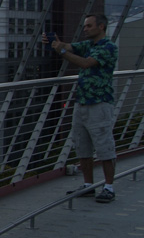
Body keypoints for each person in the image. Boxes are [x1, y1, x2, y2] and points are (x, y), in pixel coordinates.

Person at [46, 13, 118, 203]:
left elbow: (86, 63)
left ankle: (109, 187)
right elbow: (71, 47)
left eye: (89, 26)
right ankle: (88, 185)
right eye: (85, 26)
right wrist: (57, 44)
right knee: (82, 146)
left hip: (99, 103)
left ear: (101, 27)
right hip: (82, 102)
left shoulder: (108, 47)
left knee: (104, 147)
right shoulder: (89, 45)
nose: (85, 29)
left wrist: (62, 51)